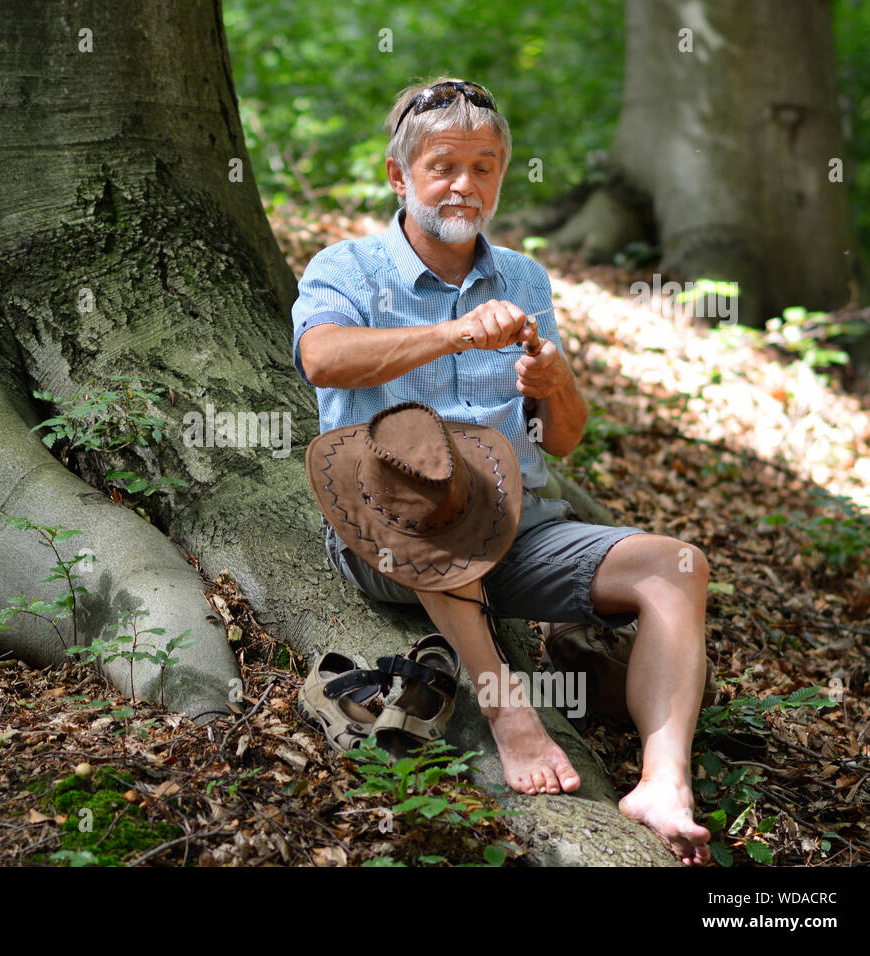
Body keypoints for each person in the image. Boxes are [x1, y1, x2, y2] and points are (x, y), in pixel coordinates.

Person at [292, 77, 712, 865]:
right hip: (388, 534)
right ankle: (508, 708)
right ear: (398, 177)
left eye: (484, 167)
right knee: (433, 490)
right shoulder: (347, 267)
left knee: (676, 566)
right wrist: (451, 335)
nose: (465, 185)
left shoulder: (523, 279)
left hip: (522, 531)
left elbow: (564, 442)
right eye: (444, 166)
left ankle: (663, 782)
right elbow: (322, 358)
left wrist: (557, 384)